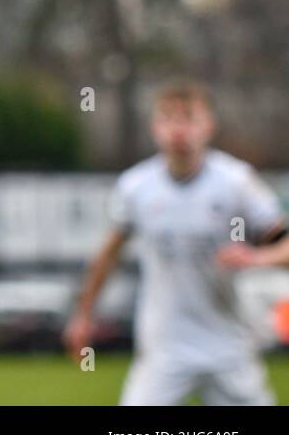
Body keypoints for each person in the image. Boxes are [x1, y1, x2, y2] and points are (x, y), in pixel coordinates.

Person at [63, 78, 286, 405]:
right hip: (163, 349)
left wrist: (255, 258)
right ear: (155, 127)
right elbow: (108, 255)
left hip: (227, 346)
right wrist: (83, 315)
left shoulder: (237, 182)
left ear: (209, 125)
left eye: (189, 118)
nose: (178, 129)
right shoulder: (136, 187)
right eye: (168, 118)